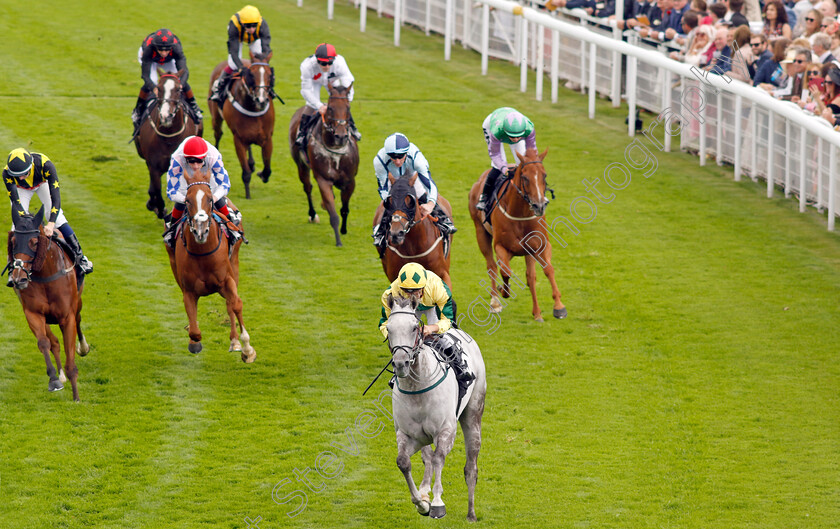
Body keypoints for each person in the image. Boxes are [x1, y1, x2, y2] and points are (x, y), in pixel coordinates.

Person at [3, 148, 93, 285]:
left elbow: (56, 199)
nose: (21, 178)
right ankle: (11, 267)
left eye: (24, 174)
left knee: (58, 218)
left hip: (42, 184)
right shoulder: (7, 174)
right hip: (21, 190)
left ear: (31, 166)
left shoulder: (46, 166)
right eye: (18, 175)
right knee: (17, 225)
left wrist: (51, 223)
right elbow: (16, 203)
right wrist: (25, 220)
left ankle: (81, 257)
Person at [378, 262, 474, 384]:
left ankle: (460, 365)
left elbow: (448, 320)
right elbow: (384, 323)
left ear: (423, 287)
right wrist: (397, 336)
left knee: (441, 335)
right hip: (407, 308)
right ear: (400, 287)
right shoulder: (390, 293)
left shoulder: (438, 288)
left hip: (432, 306)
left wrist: (432, 328)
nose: (411, 295)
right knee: (401, 334)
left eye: (415, 291)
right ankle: (399, 367)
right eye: (406, 291)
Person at [372, 133, 456, 251]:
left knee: (422, 195)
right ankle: (380, 232)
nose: (397, 161)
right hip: (393, 182)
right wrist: (392, 202)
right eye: (393, 157)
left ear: (406, 152)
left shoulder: (417, 158)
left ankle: (444, 220)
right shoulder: (379, 160)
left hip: (412, 178)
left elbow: (429, 184)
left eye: (401, 157)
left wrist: (430, 204)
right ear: (387, 154)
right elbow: (383, 188)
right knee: (390, 205)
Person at [163, 136, 238, 247]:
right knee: (183, 201)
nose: (196, 166)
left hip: (208, 179)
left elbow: (225, 184)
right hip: (185, 180)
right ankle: (171, 231)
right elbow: (171, 191)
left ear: (205, 157)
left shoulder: (213, 156)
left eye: (199, 161)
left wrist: (214, 197)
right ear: (185, 158)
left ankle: (231, 227)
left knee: (214, 197)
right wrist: (186, 199)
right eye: (191, 162)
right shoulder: (177, 160)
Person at [132, 29, 202, 131]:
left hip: (170, 60)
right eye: (161, 50)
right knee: (153, 80)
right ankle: (138, 110)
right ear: (156, 47)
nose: (164, 53)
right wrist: (153, 87)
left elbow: (184, 71)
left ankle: (194, 106)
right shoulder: (148, 48)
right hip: (151, 59)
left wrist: (181, 84)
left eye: (166, 50)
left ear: (171, 47)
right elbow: (145, 76)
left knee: (177, 81)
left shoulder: (176, 48)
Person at [294, 43, 361, 149]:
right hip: (315, 82)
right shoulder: (306, 66)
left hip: (331, 80)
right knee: (311, 106)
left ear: (334, 59)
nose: (327, 66)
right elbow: (306, 91)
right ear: (317, 60)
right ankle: (302, 133)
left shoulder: (340, 62)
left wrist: (345, 101)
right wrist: (319, 106)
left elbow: (348, 83)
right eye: (323, 63)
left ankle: (353, 127)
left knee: (340, 105)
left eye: (330, 63)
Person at [477, 107, 537, 212]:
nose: (515, 139)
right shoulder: (496, 132)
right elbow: (495, 155)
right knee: (497, 166)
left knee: (525, 163)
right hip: (491, 124)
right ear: (506, 132)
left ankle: (536, 194)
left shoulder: (529, 129)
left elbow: (532, 152)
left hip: (511, 125)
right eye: (512, 136)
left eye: (518, 137)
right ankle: (484, 197)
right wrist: (504, 169)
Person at [209, 5, 273, 104]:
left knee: (262, 65)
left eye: (254, 25)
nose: (251, 29)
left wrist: (263, 60)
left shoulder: (263, 25)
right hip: (237, 39)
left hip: (255, 40)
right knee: (233, 64)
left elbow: (266, 48)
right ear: (242, 24)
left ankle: (270, 89)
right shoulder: (234, 25)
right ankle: (219, 86)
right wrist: (241, 67)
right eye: (248, 26)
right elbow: (234, 52)